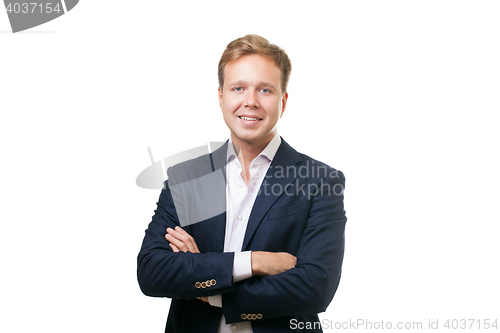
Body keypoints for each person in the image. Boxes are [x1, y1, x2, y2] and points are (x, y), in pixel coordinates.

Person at [137, 34, 347, 333]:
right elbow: (152, 272)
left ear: (283, 101)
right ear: (221, 96)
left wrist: (209, 287)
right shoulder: (190, 178)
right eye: (239, 88)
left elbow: (314, 287)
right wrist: (254, 262)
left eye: (265, 89)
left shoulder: (318, 181)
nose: (251, 101)